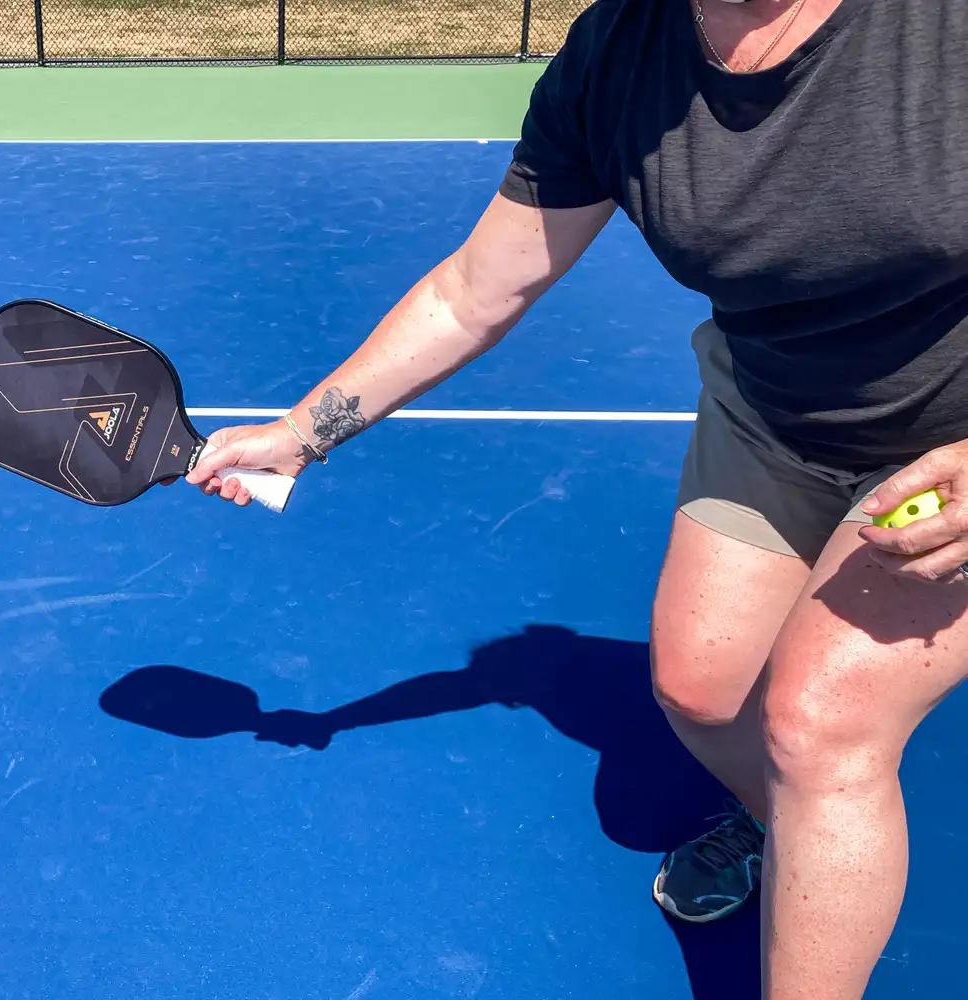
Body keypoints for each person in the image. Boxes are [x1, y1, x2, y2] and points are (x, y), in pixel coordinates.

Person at [182, 1, 968, 997]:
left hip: (950, 450)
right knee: (698, 690)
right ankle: (798, 832)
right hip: (774, 410)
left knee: (817, 724)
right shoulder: (620, 55)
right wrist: (304, 433)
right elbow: (478, 288)